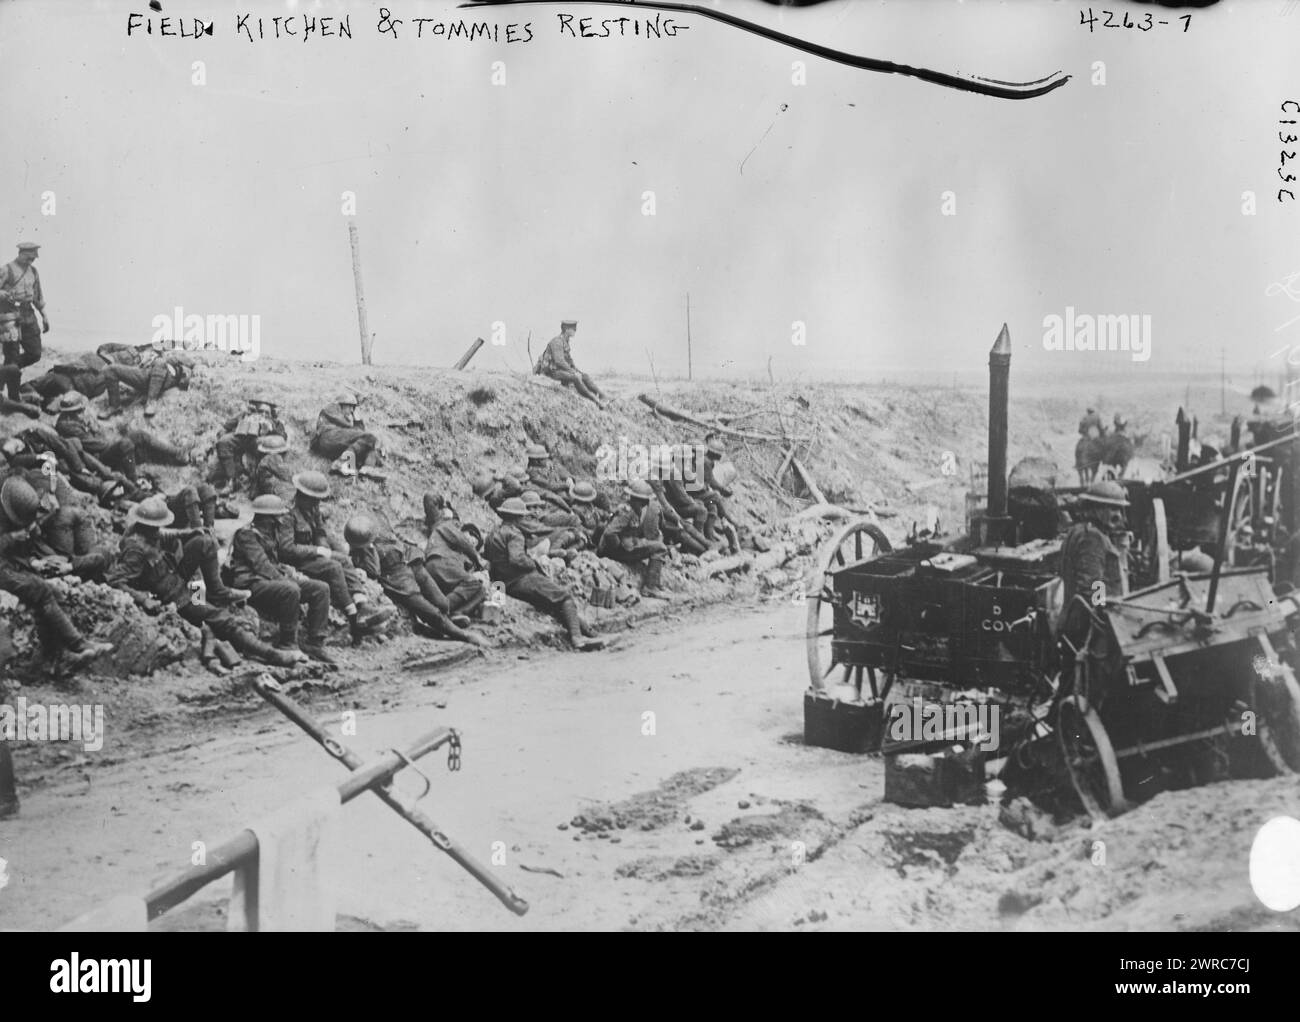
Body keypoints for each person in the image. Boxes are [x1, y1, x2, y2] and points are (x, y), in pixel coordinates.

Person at [105, 497, 298, 669]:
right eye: (156, 526)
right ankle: (270, 654)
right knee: (219, 617)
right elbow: (115, 580)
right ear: (147, 525)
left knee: (203, 541)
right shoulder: (135, 549)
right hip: (174, 599)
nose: (158, 530)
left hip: (179, 582)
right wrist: (143, 599)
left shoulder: (147, 532)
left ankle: (217, 591)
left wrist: (189, 532)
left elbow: (165, 535)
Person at [0, 477, 112, 672]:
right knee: (40, 589)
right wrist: (11, 538)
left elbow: (16, 554)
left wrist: (33, 562)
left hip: (7, 565)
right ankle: (76, 646)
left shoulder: (13, 512)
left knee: (53, 592)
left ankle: (62, 657)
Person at [278, 470, 392, 642]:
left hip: (312, 557)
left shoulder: (312, 510)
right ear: (303, 496)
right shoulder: (288, 516)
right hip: (296, 561)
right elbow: (286, 549)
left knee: (344, 559)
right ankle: (355, 619)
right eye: (314, 499)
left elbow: (320, 532)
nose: (317, 503)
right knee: (334, 567)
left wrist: (324, 549)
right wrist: (317, 552)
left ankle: (362, 605)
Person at [344, 514, 487, 647]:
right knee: (429, 611)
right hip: (399, 578)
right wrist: (369, 549)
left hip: (413, 561)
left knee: (443, 605)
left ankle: (448, 619)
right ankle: (463, 635)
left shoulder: (376, 530)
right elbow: (374, 571)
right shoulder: (363, 553)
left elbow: (396, 537)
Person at [484, 497, 604, 650]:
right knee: (564, 597)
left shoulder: (492, 534)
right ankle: (578, 639)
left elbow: (490, 562)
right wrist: (534, 562)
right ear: (517, 518)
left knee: (552, 603)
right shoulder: (515, 534)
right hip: (521, 579)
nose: (523, 519)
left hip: (503, 584)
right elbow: (517, 559)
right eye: (522, 517)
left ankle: (589, 632)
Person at [228, 493, 335, 665]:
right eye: (277, 516)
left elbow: (275, 563)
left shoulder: (271, 533)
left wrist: (291, 575)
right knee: (290, 590)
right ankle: (288, 643)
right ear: (268, 518)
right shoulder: (246, 535)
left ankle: (315, 642)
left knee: (320, 588)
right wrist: (286, 581)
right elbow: (262, 566)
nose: (280, 519)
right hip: (251, 583)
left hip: (270, 579)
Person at [1058, 479, 1129, 631]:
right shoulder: (1092, 538)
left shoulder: (1078, 531)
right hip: (1088, 629)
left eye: (1120, 509)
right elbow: (1092, 587)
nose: (1119, 516)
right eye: (1113, 509)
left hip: (1075, 621)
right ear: (1096, 509)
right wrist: (1102, 620)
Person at [599, 479, 671, 598]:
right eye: (643, 500)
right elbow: (609, 533)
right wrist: (618, 548)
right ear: (638, 500)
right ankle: (650, 587)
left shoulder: (634, 509)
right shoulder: (627, 512)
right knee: (660, 548)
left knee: (656, 545)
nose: (645, 503)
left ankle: (655, 583)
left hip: (626, 544)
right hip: (618, 551)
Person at [421, 492, 489, 618]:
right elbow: (463, 541)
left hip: (441, 570)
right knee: (472, 583)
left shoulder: (462, 556)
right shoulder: (446, 525)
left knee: (480, 590)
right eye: (471, 535)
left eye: (476, 540)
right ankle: (440, 611)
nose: (472, 540)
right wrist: (480, 560)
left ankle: (458, 613)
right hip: (440, 563)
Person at [211, 395, 287, 493]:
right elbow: (227, 425)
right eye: (260, 411)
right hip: (241, 438)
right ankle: (232, 480)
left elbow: (283, 436)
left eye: (266, 412)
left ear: (271, 414)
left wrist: (271, 430)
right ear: (255, 410)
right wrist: (222, 434)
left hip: (259, 443)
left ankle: (257, 485)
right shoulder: (245, 415)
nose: (263, 414)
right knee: (223, 442)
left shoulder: (274, 422)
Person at [100, 345, 195, 418]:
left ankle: (151, 402)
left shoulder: (177, 357)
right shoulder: (150, 350)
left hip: (166, 377)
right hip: (145, 373)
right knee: (110, 369)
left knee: (160, 362)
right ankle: (114, 405)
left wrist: (174, 361)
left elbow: (191, 364)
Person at [533, 319, 608, 408]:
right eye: (573, 328)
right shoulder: (557, 342)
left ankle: (603, 396)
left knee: (585, 376)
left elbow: (569, 360)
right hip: (551, 371)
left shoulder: (565, 341)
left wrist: (577, 371)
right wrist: (573, 372)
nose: (575, 330)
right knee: (576, 377)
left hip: (559, 370)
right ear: (566, 329)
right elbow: (559, 361)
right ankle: (596, 401)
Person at [0, 242, 49, 373]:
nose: (31, 261)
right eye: (29, 257)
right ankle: (12, 390)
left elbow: (38, 296)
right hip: (9, 316)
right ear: (21, 254)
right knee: (11, 356)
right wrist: (3, 294)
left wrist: (44, 316)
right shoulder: (6, 269)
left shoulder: (33, 271)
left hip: (28, 315)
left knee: (35, 353)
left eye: (33, 258)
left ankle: (5, 372)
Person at [312, 392, 383, 477]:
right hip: (329, 436)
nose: (352, 410)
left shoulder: (342, 421)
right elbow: (359, 433)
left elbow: (359, 434)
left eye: (353, 407)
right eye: (350, 406)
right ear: (341, 404)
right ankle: (341, 464)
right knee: (370, 437)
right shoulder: (331, 409)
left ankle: (366, 469)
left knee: (369, 448)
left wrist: (357, 420)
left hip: (335, 444)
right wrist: (356, 419)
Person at [251, 433, 294, 500]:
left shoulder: (265, 457)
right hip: (269, 485)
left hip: (265, 483)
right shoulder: (273, 458)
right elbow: (284, 474)